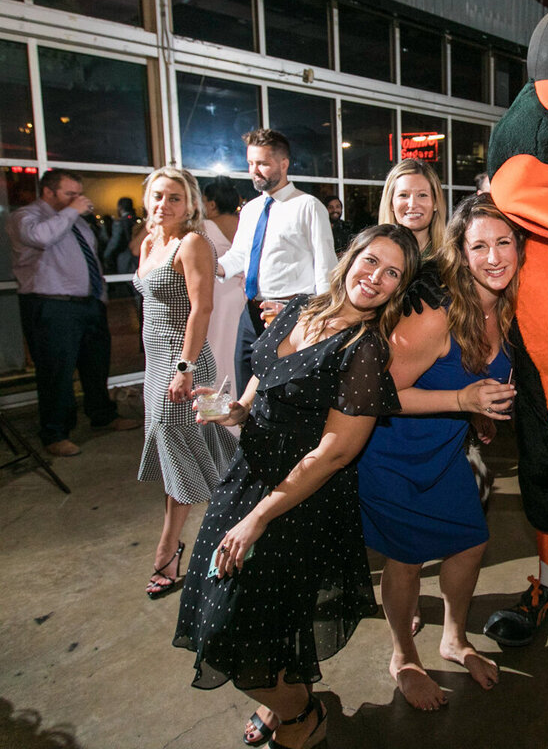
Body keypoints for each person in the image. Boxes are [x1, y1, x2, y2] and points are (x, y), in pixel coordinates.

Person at [173, 224, 419, 749]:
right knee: (252, 621)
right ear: (351, 257)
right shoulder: (300, 307)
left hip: (296, 500)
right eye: (371, 261)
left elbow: (334, 453)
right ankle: (288, 698)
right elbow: (259, 386)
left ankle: (300, 715)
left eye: (393, 273)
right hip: (246, 477)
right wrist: (227, 409)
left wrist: (257, 517)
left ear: (399, 289)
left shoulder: (365, 351)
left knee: (237, 633)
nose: (375, 277)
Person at [358, 195, 521, 711]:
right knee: (405, 559)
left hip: (447, 452)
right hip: (391, 454)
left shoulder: (512, 309)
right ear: (461, 253)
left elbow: (480, 379)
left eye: (503, 243)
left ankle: (453, 638)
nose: (493, 257)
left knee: (470, 542)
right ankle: (404, 656)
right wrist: (463, 399)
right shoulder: (434, 314)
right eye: (479, 246)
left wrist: (477, 416)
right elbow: (375, 395)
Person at [134, 167, 238, 598]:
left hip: (189, 369)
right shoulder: (149, 242)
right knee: (215, 455)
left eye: (175, 198)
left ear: (191, 203)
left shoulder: (192, 243)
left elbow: (202, 309)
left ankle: (169, 549)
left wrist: (185, 367)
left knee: (186, 462)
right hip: (156, 369)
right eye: (158, 196)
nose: (165, 205)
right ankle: (245, 531)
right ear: (147, 199)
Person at [6, 169, 138, 457]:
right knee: (57, 370)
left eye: (79, 193)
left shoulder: (76, 221)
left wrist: (99, 295)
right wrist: (71, 212)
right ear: (49, 192)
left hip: (88, 303)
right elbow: (41, 238)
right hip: (51, 304)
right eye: (70, 193)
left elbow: (90, 257)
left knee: (96, 363)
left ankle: (101, 414)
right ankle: (55, 432)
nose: (78, 199)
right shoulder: (26, 217)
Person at [217, 128, 338, 397]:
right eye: (250, 163)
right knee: (244, 383)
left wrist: (321, 319)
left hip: (290, 311)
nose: (254, 170)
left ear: (283, 164)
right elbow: (239, 256)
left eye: (262, 163)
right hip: (250, 313)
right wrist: (209, 265)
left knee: (280, 390)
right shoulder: (250, 210)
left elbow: (324, 266)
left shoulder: (308, 206)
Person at [202, 176, 243, 401]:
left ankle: (216, 405)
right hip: (241, 293)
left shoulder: (205, 226)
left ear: (211, 204)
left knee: (216, 349)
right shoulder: (243, 223)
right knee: (237, 350)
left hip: (217, 293)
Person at [379, 159, 447, 258]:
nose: (412, 204)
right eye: (403, 195)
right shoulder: (374, 256)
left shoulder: (453, 260)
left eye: (422, 195)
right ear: (391, 204)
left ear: (436, 202)